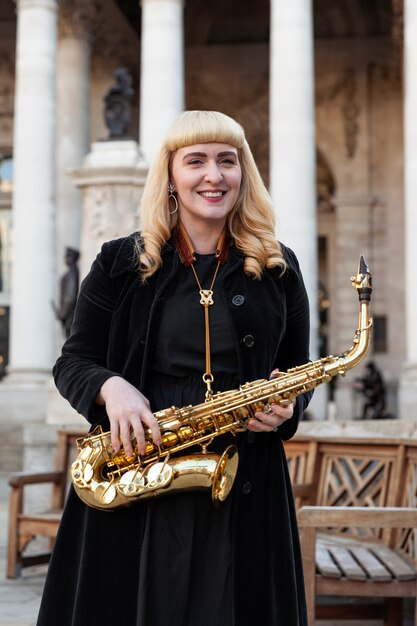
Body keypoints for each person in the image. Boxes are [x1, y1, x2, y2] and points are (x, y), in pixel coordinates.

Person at [37, 110, 312, 626]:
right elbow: (73, 362)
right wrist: (110, 387)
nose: (214, 175)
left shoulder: (279, 267)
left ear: (243, 173)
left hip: (246, 480)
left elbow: (295, 372)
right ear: (170, 177)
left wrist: (287, 406)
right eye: (196, 161)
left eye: (227, 161)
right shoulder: (118, 262)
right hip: (141, 470)